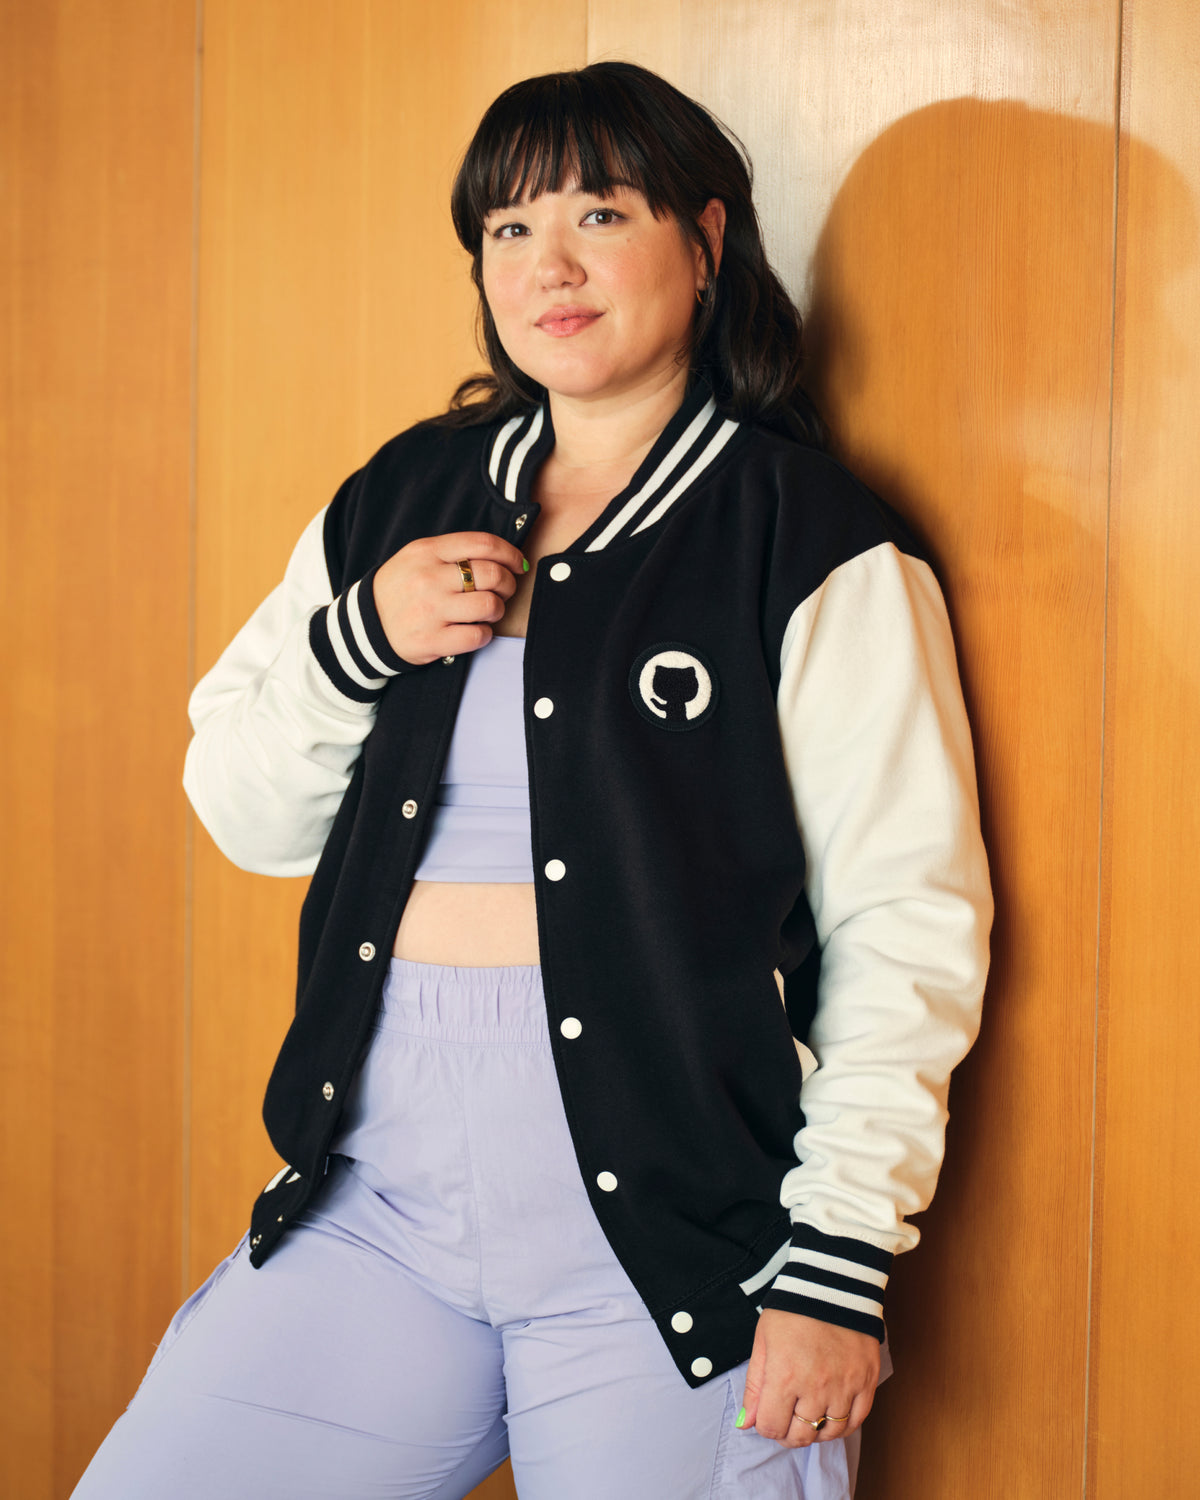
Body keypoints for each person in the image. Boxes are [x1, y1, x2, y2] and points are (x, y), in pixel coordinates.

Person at [73, 60, 991, 1500]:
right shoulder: (405, 493)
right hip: (376, 1211)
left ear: (705, 241)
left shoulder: (804, 535)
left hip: (673, 1245)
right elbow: (246, 814)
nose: (546, 264)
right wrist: (362, 637)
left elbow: (905, 925)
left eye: (598, 213)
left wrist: (836, 1267)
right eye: (505, 228)